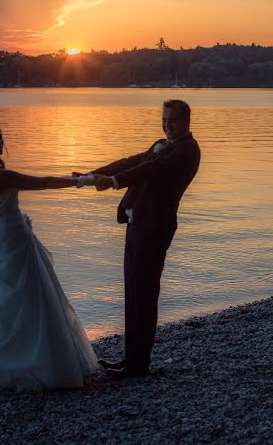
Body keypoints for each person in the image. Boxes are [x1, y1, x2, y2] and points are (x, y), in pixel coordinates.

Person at [0, 120, 98, 392]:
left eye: (0, 137)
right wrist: (80, 181)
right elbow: (44, 182)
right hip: (14, 242)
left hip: (7, 238)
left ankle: (20, 358)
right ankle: (37, 364)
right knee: (31, 301)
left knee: (12, 303)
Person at [74, 100, 201, 380]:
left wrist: (115, 182)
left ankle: (139, 364)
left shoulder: (187, 150)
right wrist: (92, 175)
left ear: (187, 120)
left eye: (173, 120)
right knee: (132, 292)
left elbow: (148, 170)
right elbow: (132, 162)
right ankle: (131, 359)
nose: (167, 124)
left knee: (144, 294)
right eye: (164, 119)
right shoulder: (161, 144)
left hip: (155, 228)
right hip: (136, 224)